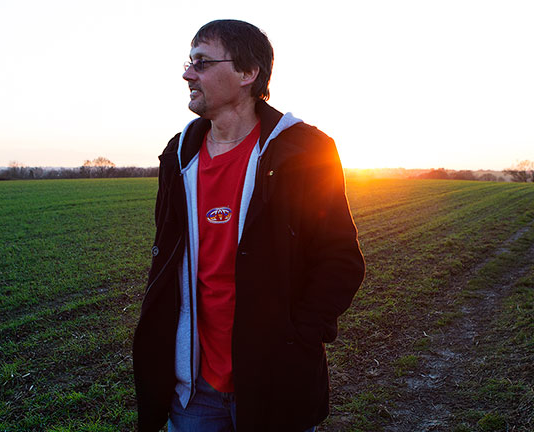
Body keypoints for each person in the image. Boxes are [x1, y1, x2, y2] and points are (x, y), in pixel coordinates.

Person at [132, 19, 365, 432]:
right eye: (189, 62)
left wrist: (298, 338)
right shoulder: (178, 156)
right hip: (194, 389)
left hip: (274, 381)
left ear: (247, 73)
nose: (188, 74)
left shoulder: (304, 150)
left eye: (202, 62)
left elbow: (341, 259)